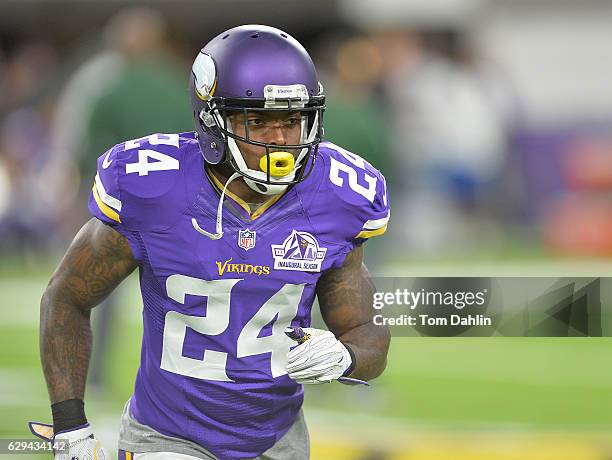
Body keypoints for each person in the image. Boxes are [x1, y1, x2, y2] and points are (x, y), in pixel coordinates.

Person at [30, 25, 390, 460]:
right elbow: (67, 297)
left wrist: (345, 357)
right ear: (212, 121)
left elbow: (366, 330)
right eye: (257, 120)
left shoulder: (338, 194)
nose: (278, 140)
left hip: (278, 441)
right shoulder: (154, 187)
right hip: (167, 438)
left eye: (292, 120)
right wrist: (69, 426)